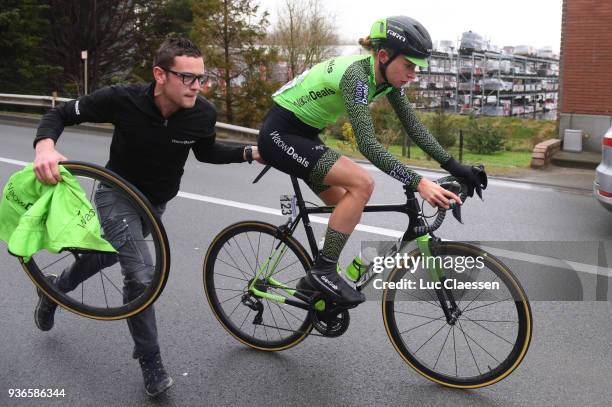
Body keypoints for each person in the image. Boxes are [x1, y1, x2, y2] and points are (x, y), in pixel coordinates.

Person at [32, 37, 262, 397]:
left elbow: (206, 152)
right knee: (140, 274)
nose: (197, 86)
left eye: (202, 78)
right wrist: (45, 146)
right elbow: (58, 114)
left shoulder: (202, 113)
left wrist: (248, 152)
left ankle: (55, 289)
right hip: (116, 194)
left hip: (154, 205)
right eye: (188, 78)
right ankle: (150, 361)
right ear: (159, 74)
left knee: (107, 253)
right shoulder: (122, 100)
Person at [257, 16, 487, 305]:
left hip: (305, 137)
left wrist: (455, 166)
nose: (413, 74)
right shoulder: (356, 76)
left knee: (350, 203)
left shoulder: (387, 80)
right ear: (383, 56)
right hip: (280, 134)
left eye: (416, 67)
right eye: (408, 65)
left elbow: (414, 127)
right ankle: (324, 271)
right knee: (362, 184)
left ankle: (311, 285)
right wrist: (419, 183)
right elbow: (367, 143)